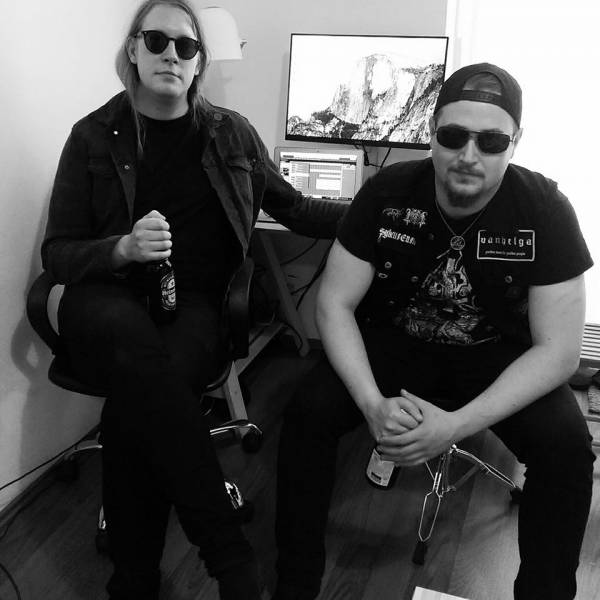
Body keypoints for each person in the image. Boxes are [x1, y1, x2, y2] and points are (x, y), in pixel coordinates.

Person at [41, 1, 345, 598]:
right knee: (140, 362)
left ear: (199, 61)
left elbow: (296, 208)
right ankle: (229, 558)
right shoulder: (93, 136)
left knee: (136, 407)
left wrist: (379, 209)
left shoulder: (232, 133)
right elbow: (59, 253)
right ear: (133, 48)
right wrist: (123, 249)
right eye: (157, 41)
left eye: (186, 46)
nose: (171, 55)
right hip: (105, 299)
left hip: (194, 307)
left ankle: (133, 582)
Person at [274, 63, 595, 600]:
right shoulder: (387, 192)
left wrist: (455, 426)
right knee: (307, 413)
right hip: (395, 346)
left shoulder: (545, 210)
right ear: (431, 132)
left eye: (491, 141)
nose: (469, 155)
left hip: (496, 356)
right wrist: (372, 404)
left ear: (515, 142)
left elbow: (560, 352)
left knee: (566, 448)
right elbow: (334, 304)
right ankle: (295, 583)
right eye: (453, 136)